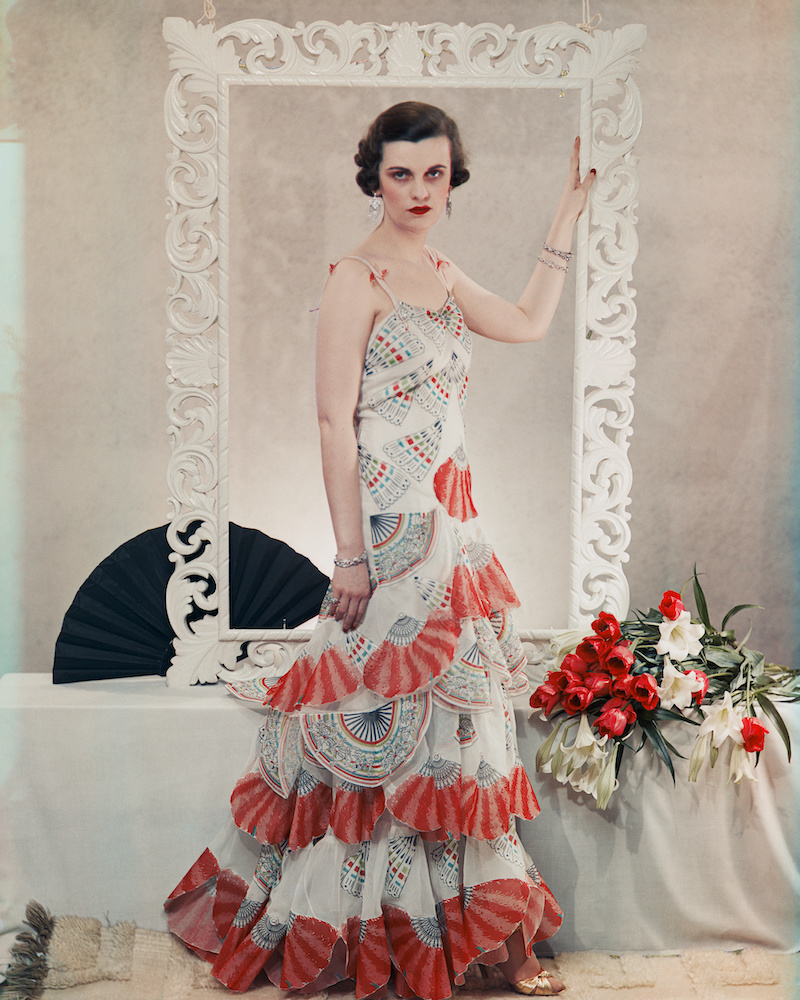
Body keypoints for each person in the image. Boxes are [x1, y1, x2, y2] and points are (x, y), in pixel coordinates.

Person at [165, 101, 594, 998]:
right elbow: (331, 423)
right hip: (391, 531)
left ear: (452, 177)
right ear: (374, 177)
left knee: (463, 726)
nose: (419, 190)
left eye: (434, 173)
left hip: (452, 527)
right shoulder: (358, 276)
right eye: (401, 174)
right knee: (387, 724)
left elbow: (524, 322)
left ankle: (485, 940)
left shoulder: (437, 266)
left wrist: (563, 223)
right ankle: (375, 936)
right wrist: (350, 555)